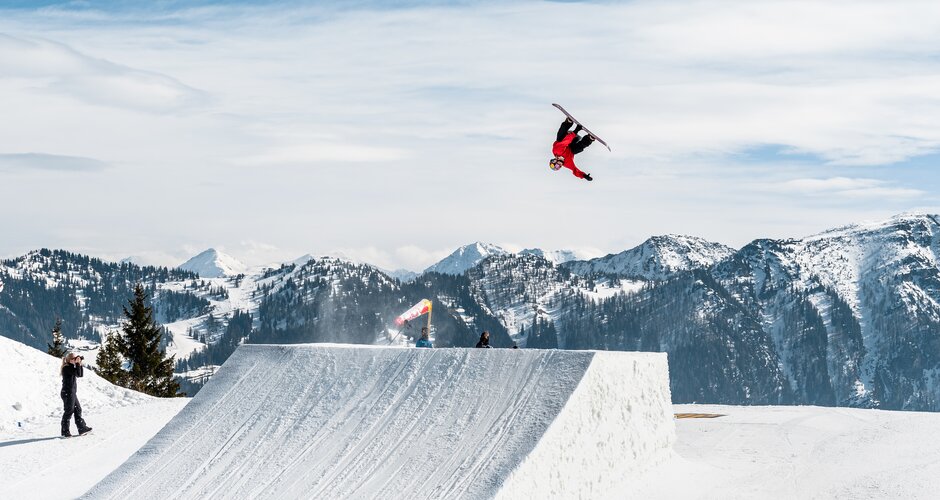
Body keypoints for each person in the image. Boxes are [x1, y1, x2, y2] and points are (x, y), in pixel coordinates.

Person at [61, 352, 92, 437]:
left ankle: (82, 428)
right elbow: (77, 373)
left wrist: (80, 364)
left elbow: (80, 374)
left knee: (78, 409)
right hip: (67, 393)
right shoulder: (66, 368)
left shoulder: (71, 367)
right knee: (69, 411)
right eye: (74, 359)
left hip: (71, 393)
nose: (76, 360)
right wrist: (78, 363)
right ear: (70, 360)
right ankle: (65, 431)